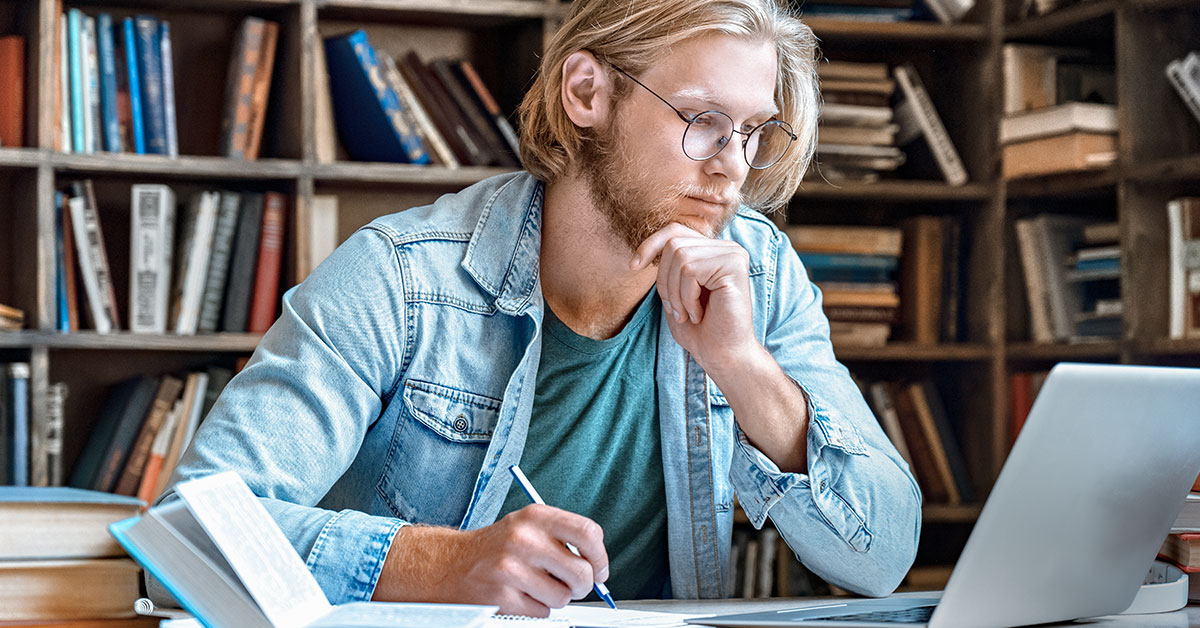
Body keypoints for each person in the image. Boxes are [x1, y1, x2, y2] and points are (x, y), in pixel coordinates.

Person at [162, 0, 920, 616]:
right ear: (586, 92)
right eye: (702, 121)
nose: (732, 167)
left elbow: (882, 556)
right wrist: (449, 564)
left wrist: (742, 366)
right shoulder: (400, 277)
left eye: (754, 133)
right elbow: (188, 536)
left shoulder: (757, 275)